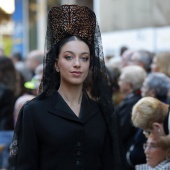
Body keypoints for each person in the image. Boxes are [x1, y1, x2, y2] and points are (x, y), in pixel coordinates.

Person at [9, 5, 122, 170]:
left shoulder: (101, 112)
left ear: (90, 64)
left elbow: (110, 163)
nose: (77, 64)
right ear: (56, 64)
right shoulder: (34, 111)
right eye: (69, 57)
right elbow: (26, 164)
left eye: (84, 58)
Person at [115, 65, 147, 169]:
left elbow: (121, 131)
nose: (118, 82)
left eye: (121, 80)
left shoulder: (131, 103)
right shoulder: (137, 99)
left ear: (128, 85)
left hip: (127, 156)